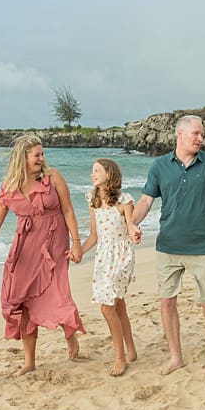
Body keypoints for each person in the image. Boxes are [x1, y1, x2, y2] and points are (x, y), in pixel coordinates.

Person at [129, 114, 205, 375]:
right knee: (167, 301)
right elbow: (146, 201)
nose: (201, 138)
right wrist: (132, 224)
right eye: (196, 133)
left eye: (202, 134)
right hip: (168, 245)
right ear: (180, 134)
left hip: (202, 246)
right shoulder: (159, 166)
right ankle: (175, 357)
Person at [0, 135, 85, 376]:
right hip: (25, 244)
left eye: (42, 154)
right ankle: (29, 361)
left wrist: (76, 243)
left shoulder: (53, 176)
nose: (42, 158)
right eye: (37, 155)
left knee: (58, 291)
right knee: (21, 299)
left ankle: (70, 336)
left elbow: (68, 209)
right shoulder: (9, 185)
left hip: (55, 240)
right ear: (22, 157)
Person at [80, 158, 139, 376]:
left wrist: (135, 233)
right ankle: (131, 350)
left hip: (122, 256)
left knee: (107, 307)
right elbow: (94, 235)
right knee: (118, 305)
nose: (92, 174)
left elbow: (131, 226)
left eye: (96, 170)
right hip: (103, 257)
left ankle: (119, 358)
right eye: (92, 170)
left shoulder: (124, 200)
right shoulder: (92, 199)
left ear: (109, 173)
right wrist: (78, 252)